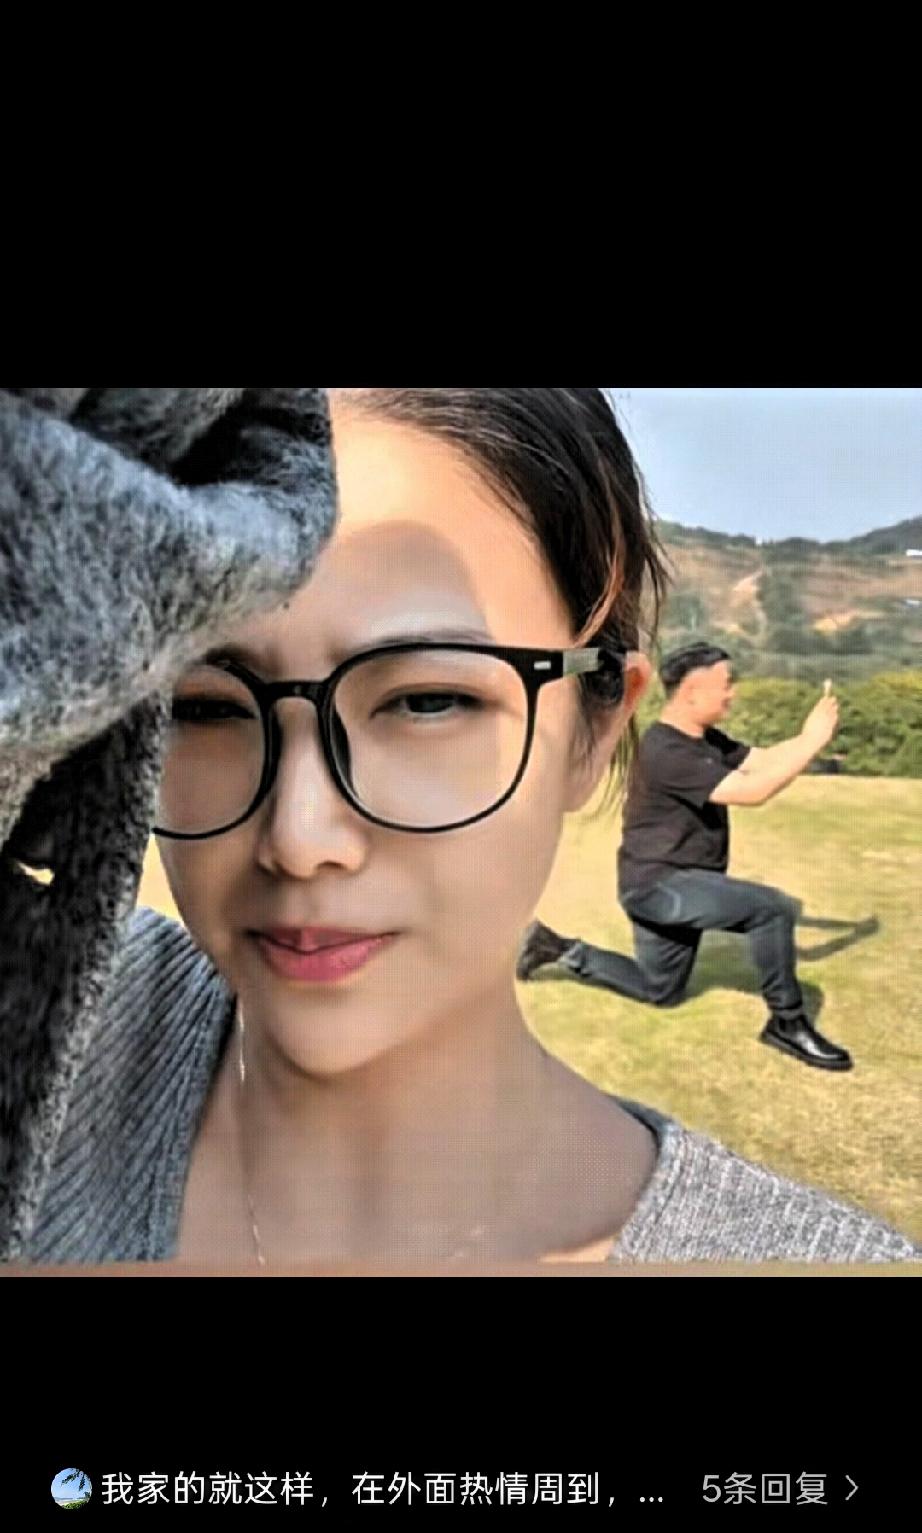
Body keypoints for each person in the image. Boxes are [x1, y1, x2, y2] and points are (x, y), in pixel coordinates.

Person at [3, 388, 917, 1265]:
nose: (300, 837)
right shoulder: (51, 1025)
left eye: (427, 699)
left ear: (597, 727)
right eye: (204, 706)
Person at [517, 643, 856, 1071]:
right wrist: (813, 740)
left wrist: (810, 738)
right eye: (726, 684)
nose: (733, 694)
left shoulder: (705, 741)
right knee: (772, 910)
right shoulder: (665, 751)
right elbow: (752, 791)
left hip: (671, 883)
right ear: (693, 692)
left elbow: (764, 761)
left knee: (660, 989)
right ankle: (786, 1023)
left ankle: (555, 947)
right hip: (660, 887)